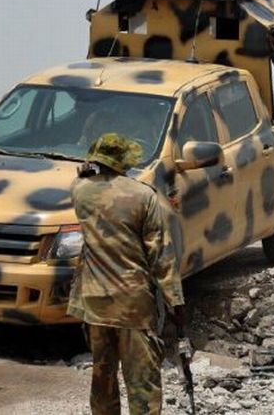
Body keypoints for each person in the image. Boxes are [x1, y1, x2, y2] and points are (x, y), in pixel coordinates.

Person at [68, 133, 185, 415]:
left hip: (94, 303)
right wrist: (176, 304)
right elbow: (162, 258)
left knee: (103, 381)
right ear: (124, 161)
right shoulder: (143, 196)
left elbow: (82, 175)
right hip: (132, 305)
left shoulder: (80, 191)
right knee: (142, 383)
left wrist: (87, 169)